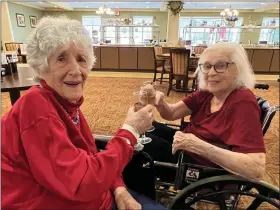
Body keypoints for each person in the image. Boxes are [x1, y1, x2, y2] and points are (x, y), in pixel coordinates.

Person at [1, 16, 167, 210]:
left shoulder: (63, 103)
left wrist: (119, 188)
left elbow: (90, 155)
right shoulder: (36, 107)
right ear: (42, 66)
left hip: (102, 194)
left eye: (81, 59)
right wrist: (130, 131)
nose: (76, 70)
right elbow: (82, 184)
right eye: (61, 58)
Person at [142, 43, 266, 181]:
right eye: (207, 66)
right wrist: (160, 103)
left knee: (141, 145)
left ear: (237, 69)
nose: (211, 73)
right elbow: (172, 113)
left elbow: (256, 169)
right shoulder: (207, 92)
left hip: (201, 166)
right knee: (145, 127)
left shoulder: (243, 103)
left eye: (220, 65)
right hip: (188, 146)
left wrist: (197, 145)